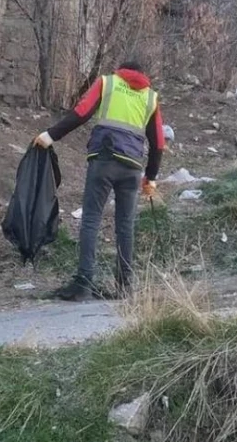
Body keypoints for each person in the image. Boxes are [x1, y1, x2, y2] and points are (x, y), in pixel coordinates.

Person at [34, 60, 165, 301]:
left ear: (122, 71)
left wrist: (50, 135)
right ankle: (124, 287)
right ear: (142, 75)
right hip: (132, 167)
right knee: (126, 226)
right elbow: (158, 142)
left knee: (92, 218)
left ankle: (84, 282)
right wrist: (151, 178)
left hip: (104, 159)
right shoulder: (150, 97)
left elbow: (81, 113)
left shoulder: (108, 82)